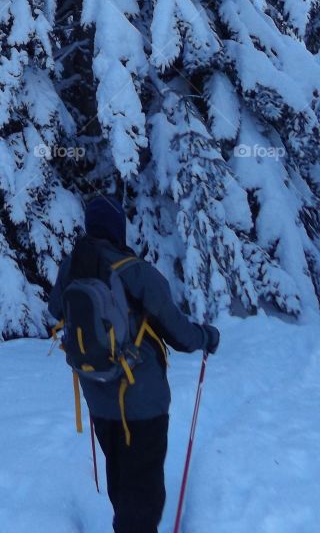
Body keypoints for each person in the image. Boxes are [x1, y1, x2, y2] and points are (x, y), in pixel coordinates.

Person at [48, 194, 220, 533]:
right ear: (118, 229)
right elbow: (180, 334)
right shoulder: (136, 272)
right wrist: (207, 337)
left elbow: (57, 310)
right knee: (144, 492)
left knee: (122, 480)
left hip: (97, 395)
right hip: (142, 402)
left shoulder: (72, 268)